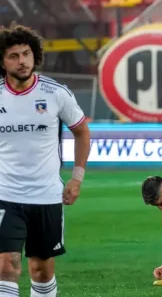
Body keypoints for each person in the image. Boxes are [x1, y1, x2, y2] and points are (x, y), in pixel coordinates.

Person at [0, 24, 90, 297]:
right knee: (6, 265)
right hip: (5, 194)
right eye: (13, 56)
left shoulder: (55, 93)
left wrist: (77, 178)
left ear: (35, 55)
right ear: (2, 61)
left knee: (41, 270)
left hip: (46, 195)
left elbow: (82, 131)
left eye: (26, 54)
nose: (22, 61)